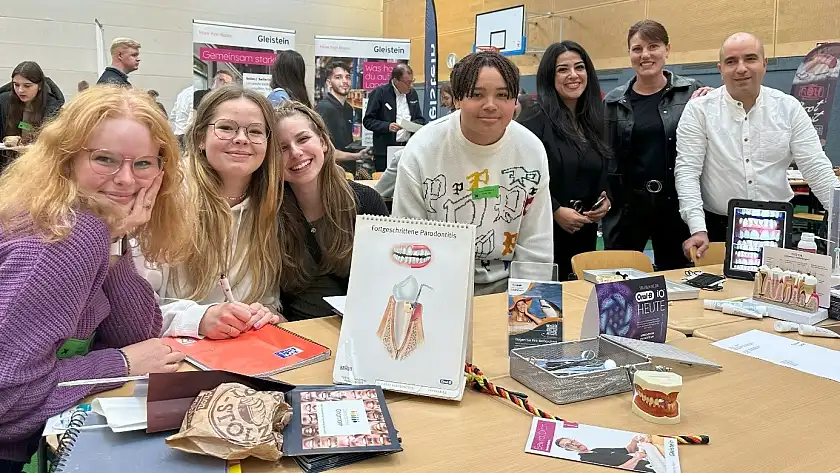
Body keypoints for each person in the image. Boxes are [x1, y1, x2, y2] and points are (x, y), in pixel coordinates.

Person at [0, 86, 191, 472]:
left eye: (143, 164)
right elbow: (8, 397)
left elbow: (137, 336)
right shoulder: (65, 236)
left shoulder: (87, 223)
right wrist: (117, 364)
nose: (125, 179)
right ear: (66, 159)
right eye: (105, 159)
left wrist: (116, 241)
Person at [391, 51, 553, 295]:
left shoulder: (531, 150)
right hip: (436, 285)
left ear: (514, 101)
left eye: (502, 95)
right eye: (477, 95)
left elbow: (535, 245)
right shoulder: (422, 149)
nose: (490, 105)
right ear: (457, 99)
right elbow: (407, 238)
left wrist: (524, 306)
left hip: (506, 287)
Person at [136, 84, 285, 338]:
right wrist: (199, 318)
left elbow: (268, 298)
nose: (241, 138)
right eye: (226, 128)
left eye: (255, 131)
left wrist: (267, 312)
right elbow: (133, 310)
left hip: (241, 352)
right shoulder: (163, 196)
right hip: (171, 354)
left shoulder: (271, 205)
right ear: (199, 138)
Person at [676, 32, 836, 259]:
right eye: (731, 61)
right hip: (717, 228)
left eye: (750, 58)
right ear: (720, 69)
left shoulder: (788, 108)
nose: (741, 68)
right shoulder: (698, 111)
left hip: (777, 225)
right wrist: (697, 228)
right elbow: (687, 172)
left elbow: (816, 167)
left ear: (764, 64)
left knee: (775, 292)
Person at [602, 20, 710, 271]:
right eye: (637, 48)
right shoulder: (613, 101)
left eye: (653, 46)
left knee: (679, 280)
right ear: (629, 53)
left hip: (676, 208)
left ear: (667, 49)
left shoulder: (692, 93)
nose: (645, 55)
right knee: (618, 282)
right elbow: (604, 156)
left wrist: (714, 101)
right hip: (628, 210)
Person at [275, 100, 388, 320]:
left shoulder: (366, 202)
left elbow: (387, 279)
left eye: (303, 139)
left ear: (324, 142)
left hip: (362, 329)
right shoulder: (270, 212)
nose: (296, 152)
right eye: (282, 148)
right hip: (296, 338)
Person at [518, 41, 611, 281]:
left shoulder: (594, 119)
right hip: (545, 234)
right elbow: (520, 176)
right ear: (550, 76)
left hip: (584, 233)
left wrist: (606, 199)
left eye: (579, 67)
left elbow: (602, 169)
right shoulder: (534, 119)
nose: (573, 75)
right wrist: (556, 210)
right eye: (563, 69)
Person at [363, 64, 426, 172]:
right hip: (385, 151)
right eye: (407, 82)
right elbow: (368, 121)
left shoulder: (412, 94)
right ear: (396, 81)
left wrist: (412, 125)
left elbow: (420, 119)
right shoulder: (380, 93)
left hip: (407, 148)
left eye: (412, 81)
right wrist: (387, 126)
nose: (411, 85)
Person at [314, 62, 370, 172]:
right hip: (331, 171)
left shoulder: (348, 108)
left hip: (347, 170)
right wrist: (357, 156)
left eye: (347, 77)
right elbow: (325, 149)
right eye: (338, 77)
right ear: (329, 83)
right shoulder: (324, 108)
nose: (345, 81)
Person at [0, 61, 64, 146]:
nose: (20, 90)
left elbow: (54, 144)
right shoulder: (4, 102)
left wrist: (22, 144)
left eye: (27, 86)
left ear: (40, 86)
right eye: (16, 85)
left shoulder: (53, 109)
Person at [555, 436, 654, 472]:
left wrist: (635, 440)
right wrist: (636, 459)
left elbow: (629, 449)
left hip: (651, 464)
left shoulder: (598, 449)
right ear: (568, 450)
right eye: (569, 445)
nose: (575, 444)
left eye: (572, 440)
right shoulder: (586, 461)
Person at [170, 84, 195, 149]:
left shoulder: (183, 92)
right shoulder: (195, 92)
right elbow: (192, 115)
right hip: (186, 134)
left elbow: (173, 115)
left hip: (177, 133)